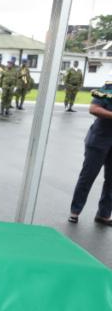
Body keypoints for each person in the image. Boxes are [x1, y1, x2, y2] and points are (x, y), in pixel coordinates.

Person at [69, 81, 112, 226]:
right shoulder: (108, 89)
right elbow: (94, 109)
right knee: (88, 176)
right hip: (99, 139)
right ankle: (75, 212)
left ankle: (103, 214)